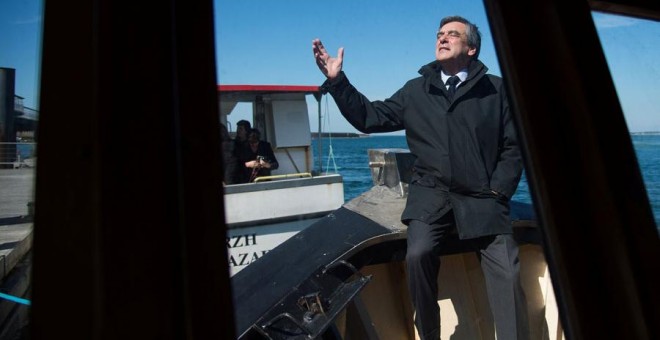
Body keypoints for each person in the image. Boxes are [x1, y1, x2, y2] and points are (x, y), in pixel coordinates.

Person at [312, 16, 529, 340]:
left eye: (452, 35)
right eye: (440, 34)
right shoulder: (417, 90)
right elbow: (370, 117)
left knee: (507, 270)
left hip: (482, 198)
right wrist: (338, 80)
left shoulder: (496, 90)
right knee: (418, 254)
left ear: (471, 48)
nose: (442, 39)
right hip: (431, 196)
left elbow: (514, 146)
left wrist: (499, 190)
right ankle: (429, 335)